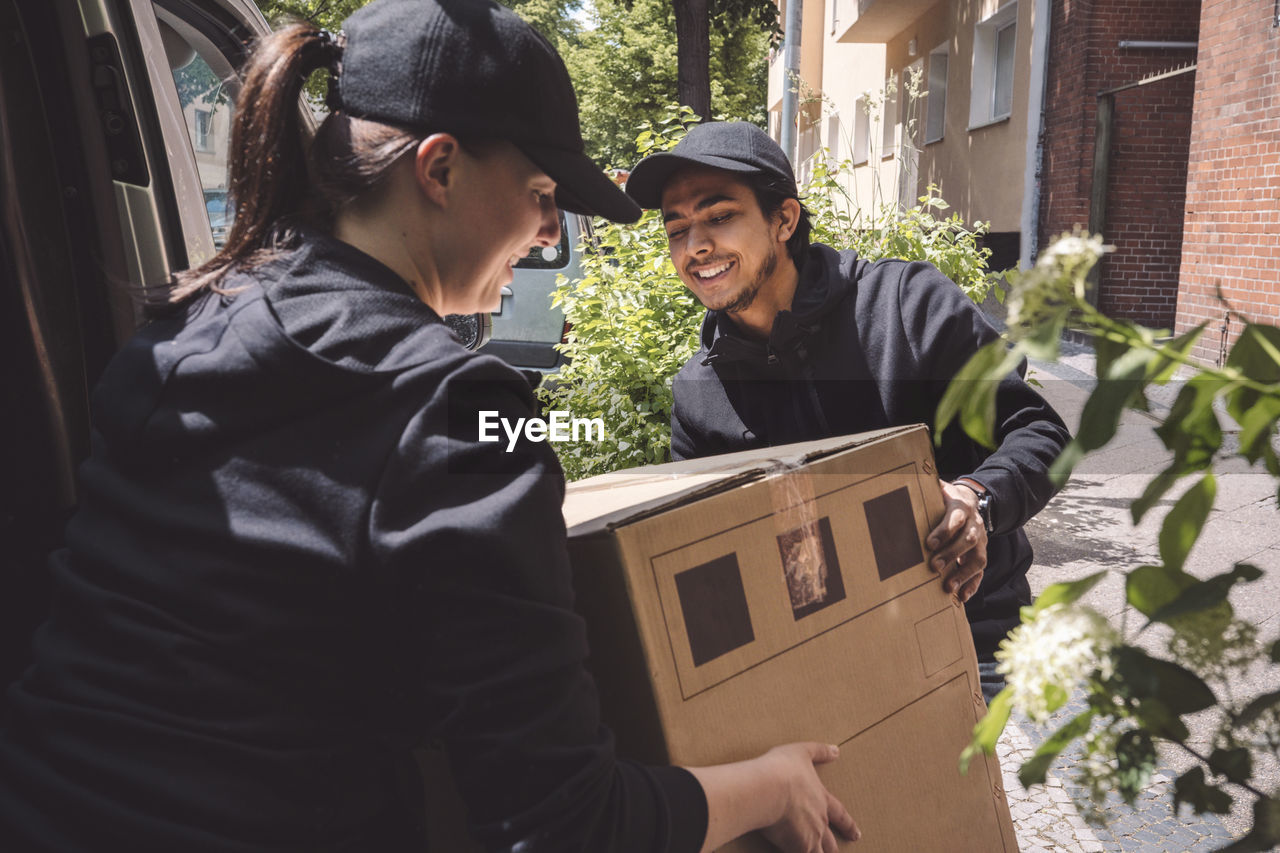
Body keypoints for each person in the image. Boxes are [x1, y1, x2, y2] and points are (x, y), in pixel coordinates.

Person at [0, 5, 859, 852]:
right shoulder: (470, 409)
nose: (549, 231)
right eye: (543, 194)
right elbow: (566, 823)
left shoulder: (182, 325)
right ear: (439, 169)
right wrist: (771, 785)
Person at [624, 122, 1071, 700]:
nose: (695, 247)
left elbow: (1037, 430)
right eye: (677, 229)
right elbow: (701, 554)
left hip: (964, 628)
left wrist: (978, 499)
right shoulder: (698, 393)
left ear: (784, 219)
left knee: (933, 788)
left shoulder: (907, 306)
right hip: (810, 658)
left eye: (718, 217)